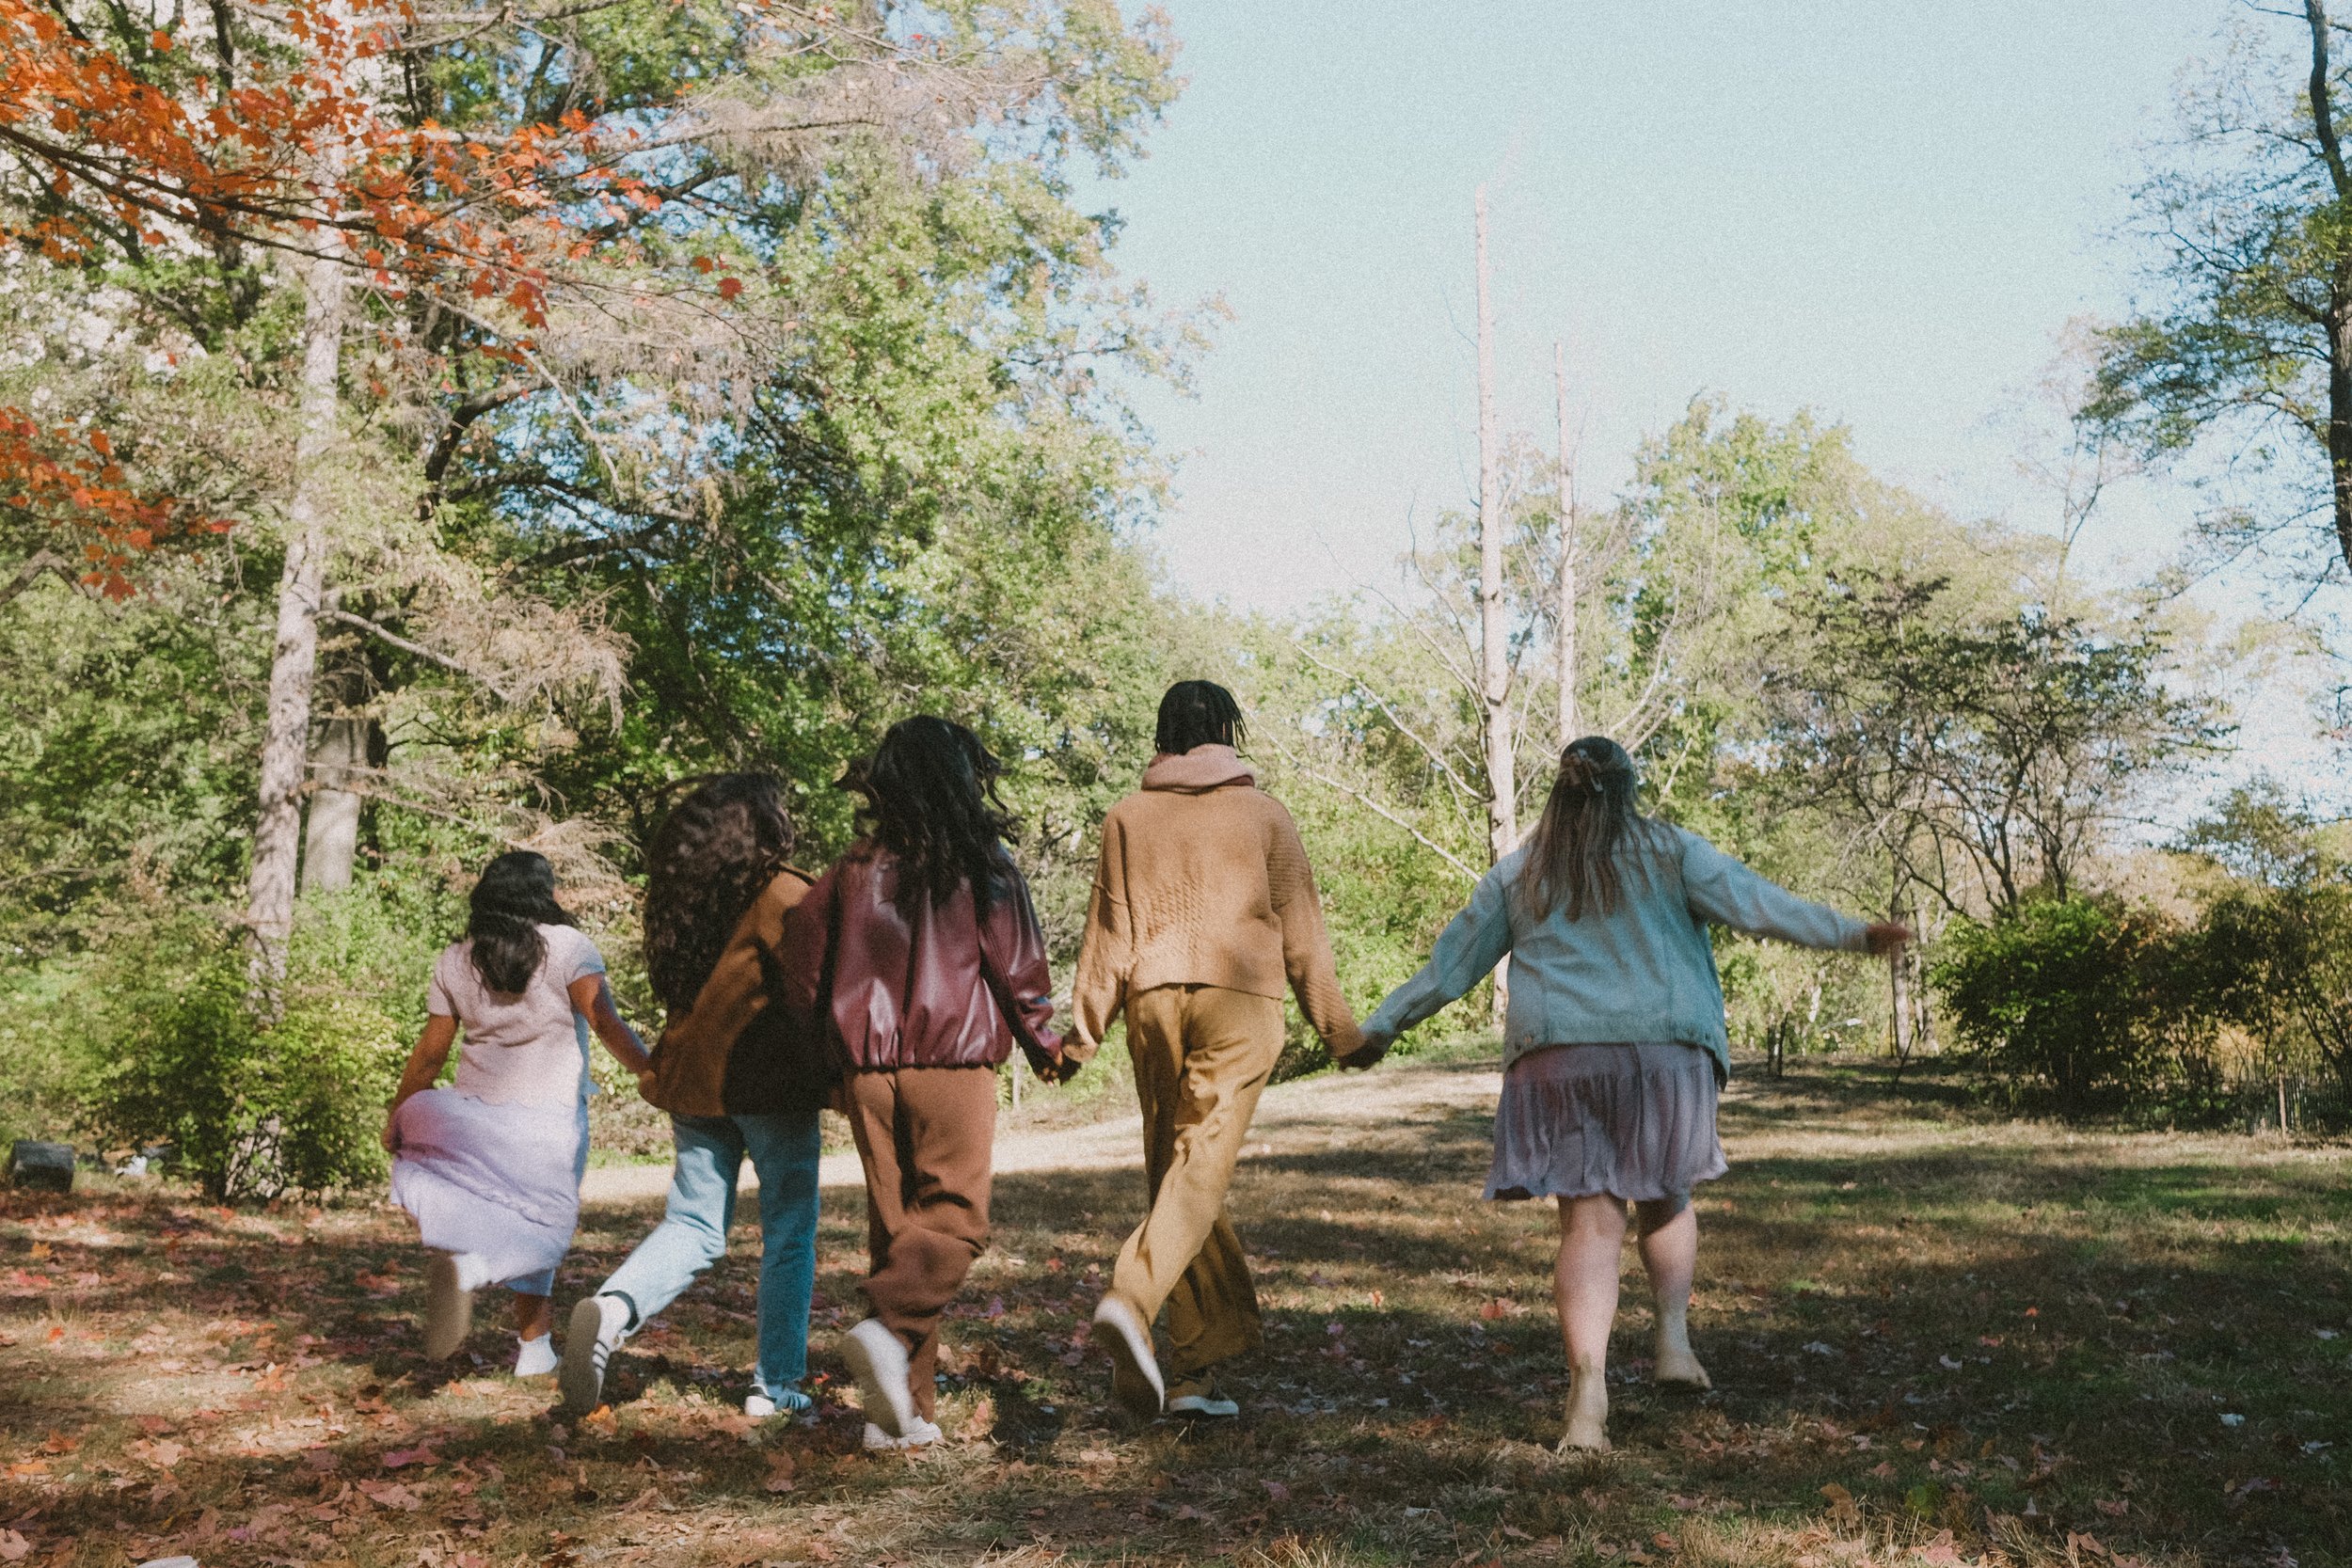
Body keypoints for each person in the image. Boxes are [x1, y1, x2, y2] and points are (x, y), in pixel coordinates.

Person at [1356, 736, 1909, 1452]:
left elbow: (1450, 966)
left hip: (1562, 1056)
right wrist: (1854, 934)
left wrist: (1380, 1027)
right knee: (1667, 1194)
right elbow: (1758, 904)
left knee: (1589, 1227)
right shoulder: (1672, 851)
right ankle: (1672, 1340)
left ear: (1560, 790)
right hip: (1664, 1054)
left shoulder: (1521, 871)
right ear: (1628, 788)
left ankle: (1588, 1394)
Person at [1071, 680, 1370, 1421]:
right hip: (1241, 1000)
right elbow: (1303, 933)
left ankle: (1195, 1375)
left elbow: (1108, 935)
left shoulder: (1127, 816)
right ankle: (1132, 1299)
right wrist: (1340, 1032)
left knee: (1177, 1170)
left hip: (1152, 1000)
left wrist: (1081, 1035)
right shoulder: (1264, 813)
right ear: (1227, 733)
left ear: (1163, 735)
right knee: (1198, 1167)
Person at [782, 716, 1071, 1451]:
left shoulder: (850, 870)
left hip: (867, 1070)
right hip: (952, 1062)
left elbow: (801, 967)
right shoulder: (983, 864)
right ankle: (885, 1327)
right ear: (965, 778)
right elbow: (1018, 967)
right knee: (955, 1222)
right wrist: (1046, 1045)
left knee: (899, 1233)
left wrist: (828, 1060)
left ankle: (900, 1415)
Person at [560, 775, 833, 1419]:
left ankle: (613, 1308)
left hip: (691, 1079)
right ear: (762, 828)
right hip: (769, 1083)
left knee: (693, 1224)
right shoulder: (782, 892)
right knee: (789, 1230)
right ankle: (775, 1385)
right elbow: (816, 985)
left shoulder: (683, 897)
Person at [384, 850, 651, 1374]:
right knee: (543, 1225)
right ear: (542, 894)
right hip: (548, 1120)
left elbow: (431, 1054)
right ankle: (487, 1284)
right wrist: (653, 1073)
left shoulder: (455, 959)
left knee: (504, 1214)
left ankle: (529, 1340)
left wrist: (400, 1114)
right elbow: (606, 1023)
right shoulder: (569, 947)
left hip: (470, 1119)